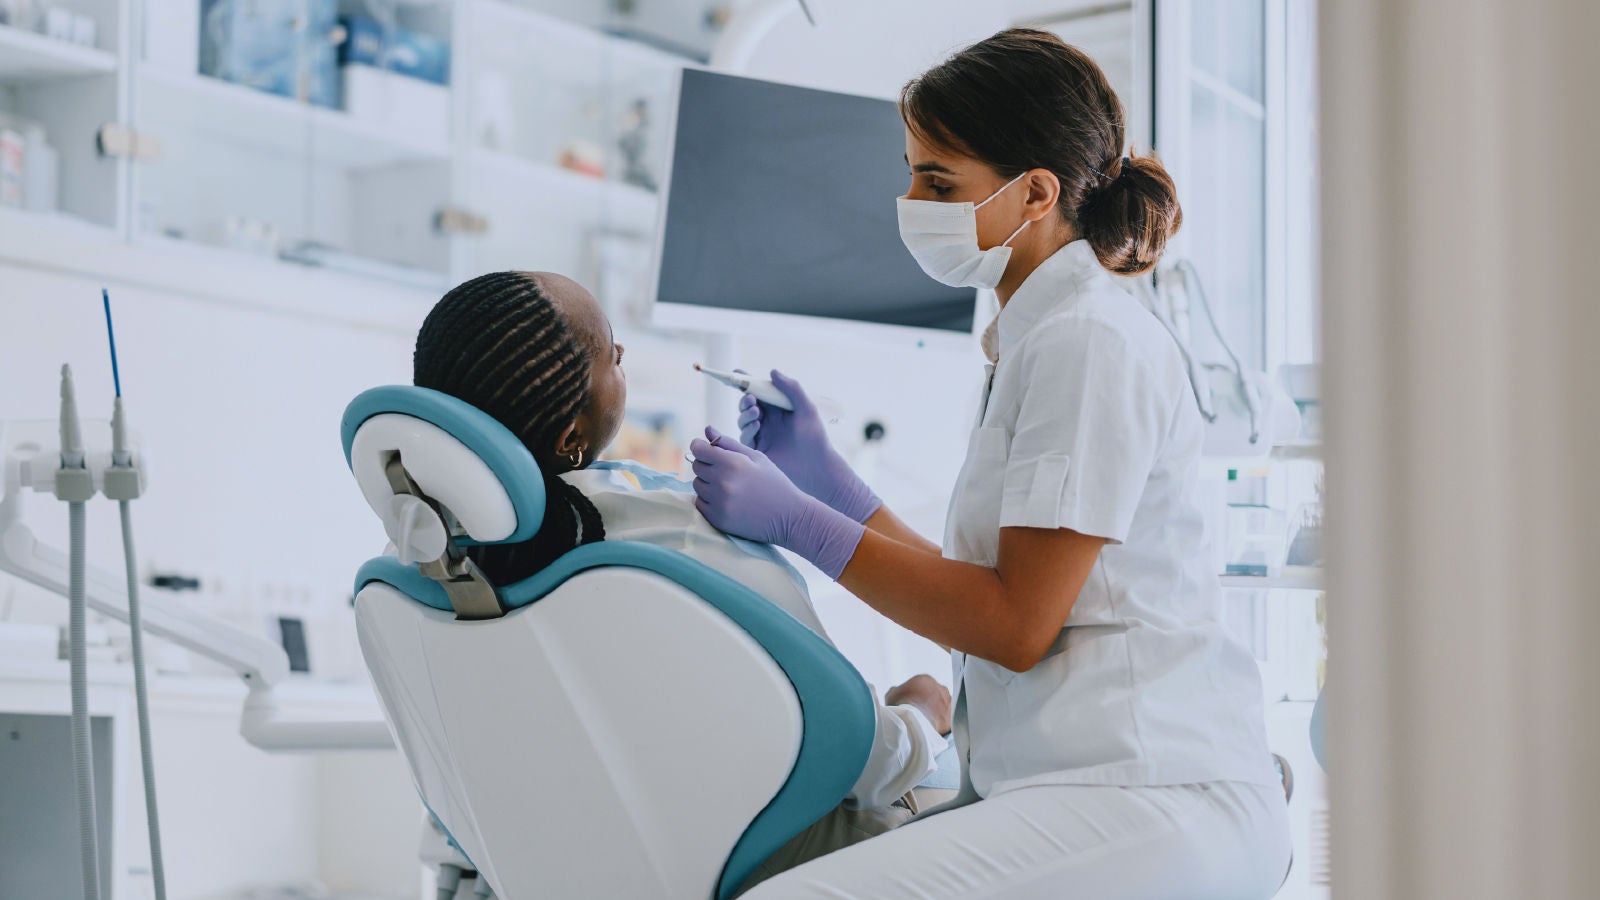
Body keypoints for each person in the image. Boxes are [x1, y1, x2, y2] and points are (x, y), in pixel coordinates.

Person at [688, 28, 1292, 898]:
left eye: (938, 182)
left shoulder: (1088, 341)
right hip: (1080, 780)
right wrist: (828, 481)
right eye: (910, 173)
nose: (909, 200)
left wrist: (798, 521)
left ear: (1036, 193)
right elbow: (980, 593)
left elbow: (1012, 626)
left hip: (1149, 789)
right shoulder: (1039, 338)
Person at [410, 270, 952, 890]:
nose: (623, 358)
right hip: (778, 872)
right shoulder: (679, 543)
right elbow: (864, 761)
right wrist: (917, 716)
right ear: (570, 437)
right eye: (612, 354)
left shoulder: (423, 573)